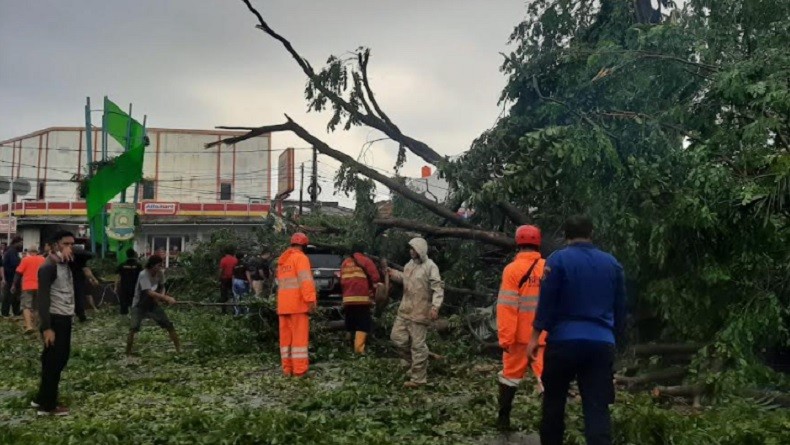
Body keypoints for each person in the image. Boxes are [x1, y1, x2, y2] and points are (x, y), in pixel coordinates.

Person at [527, 215, 626, 445]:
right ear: (592, 233)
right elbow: (621, 309)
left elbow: (547, 303)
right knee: (597, 408)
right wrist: (617, 342)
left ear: (565, 235)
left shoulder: (557, 260)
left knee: (554, 404)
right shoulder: (612, 263)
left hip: (563, 343)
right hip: (600, 344)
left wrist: (534, 338)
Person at [495, 225, 548, 431]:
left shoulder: (512, 270)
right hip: (542, 337)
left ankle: (503, 420)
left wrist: (505, 339)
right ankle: (550, 423)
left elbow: (506, 307)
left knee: (509, 378)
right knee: (547, 379)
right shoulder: (548, 267)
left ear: (518, 243)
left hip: (517, 338)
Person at [388, 237, 444, 388]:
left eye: (414, 249)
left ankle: (418, 379)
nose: (411, 251)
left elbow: (437, 288)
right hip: (405, 310)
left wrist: (435, 307)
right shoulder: (409, 265)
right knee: (396, 338)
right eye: (410, 248)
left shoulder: (430, 266)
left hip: (420, 312)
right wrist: (393, 273)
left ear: (421, 250)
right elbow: (405, 279)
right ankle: (418, 361)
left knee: (418, 346)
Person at [32, 230, 76, 416]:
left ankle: (41, 398)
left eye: (72, 244)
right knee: (55, 360)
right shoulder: (48, 266)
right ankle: (48, 406)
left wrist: (69, 250)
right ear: (55, 245)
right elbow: (42, 298)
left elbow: (89, 254)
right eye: (65, 244)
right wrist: (47, 327)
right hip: (55, 318)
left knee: (54, 359)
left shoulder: (67, 262)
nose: (69, 248)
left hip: (65, 316)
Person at [275, 233, 316, 377]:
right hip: (297, 305)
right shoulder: (301, 258)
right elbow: (305, 281)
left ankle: (287, 369)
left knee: (285, 340)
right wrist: (310, 300)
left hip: (283, 305)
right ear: (304, 245)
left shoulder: (283, 261)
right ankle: (300, 370)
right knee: (299, 340)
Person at [125, 255, 181, 356]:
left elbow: (162, 286)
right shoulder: (143, 274)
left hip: (152, 304)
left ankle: (179, 350)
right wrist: (166, 298)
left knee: (168, 325)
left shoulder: (160, 273)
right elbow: (148, 292)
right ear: (152, 265)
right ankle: (127, 353)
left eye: (161, 265)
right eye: (159, 265)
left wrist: (161, 297)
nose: (161, 267)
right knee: (133, 328)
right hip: (139, 305)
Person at [340, 244, 382, 354]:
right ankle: (359, 350)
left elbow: (341, 280)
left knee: (350, 322)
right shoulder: (365, 260)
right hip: (361, 298)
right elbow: (376, 277)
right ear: (362, 251)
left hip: (348, 299)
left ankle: (347, 347)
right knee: (363, 323)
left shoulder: (345, 262)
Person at [12, 245, 47, 333]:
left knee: (26, 306)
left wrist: (14, 285)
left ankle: (29, 326)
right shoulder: (43, 259)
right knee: (36, 307)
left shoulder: (25, 260)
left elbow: (18, 273)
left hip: (27, 286)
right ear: (37, 252)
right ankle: (34, 325)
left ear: (29, 252)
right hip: (39, 286)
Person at [70, 246, 99, 323]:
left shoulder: (68, 260)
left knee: (71, 299)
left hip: (68, 280)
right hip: (78, 281)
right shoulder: (81, 260)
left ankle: (72, 317)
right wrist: (93, 279)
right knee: (79, 298)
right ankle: (81, 316)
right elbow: (86, 270)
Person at [1, 235, 24, 317]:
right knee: (10, 296)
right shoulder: (12, 251)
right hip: (11, 277)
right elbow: (15, 264)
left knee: (13, 296)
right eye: (21, 243)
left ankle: (14, 311)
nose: (22, 245)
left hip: (11, 277)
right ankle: (7, 313)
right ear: (16, 243)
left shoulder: (12, 251)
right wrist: (22, 262)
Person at [115, 249, 142, 315]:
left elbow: (118, 277)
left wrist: (115, 287)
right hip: (135, 288)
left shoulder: (121, 265)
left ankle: (124, 317)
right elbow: (141, 277)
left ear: (126, 255)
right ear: (134, 255)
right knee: (135, 303)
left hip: (124, 288)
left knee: (124, 304)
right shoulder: (138, 265)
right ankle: (134, 316)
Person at [218, 247, 238, 314]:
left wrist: (219, 278)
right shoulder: (235, 260)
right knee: (234, 294)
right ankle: (235, 310)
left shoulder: (223, 260)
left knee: (223, 294)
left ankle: (224, 311)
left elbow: (221, 270)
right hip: (233, 279)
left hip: (224, 279)